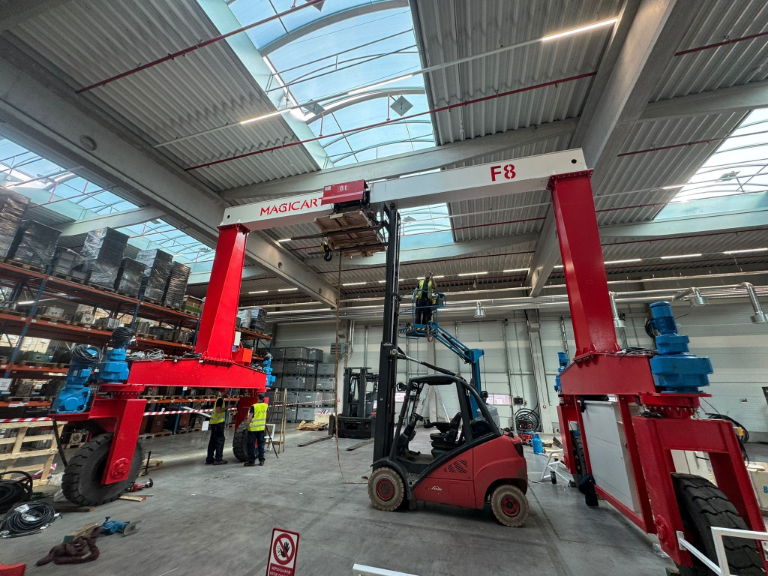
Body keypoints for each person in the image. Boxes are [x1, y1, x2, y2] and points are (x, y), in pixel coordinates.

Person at [245, 394, 268, 467]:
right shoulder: (265, 406)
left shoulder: (254, 406)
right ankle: (261, 460)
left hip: (253, 429)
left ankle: (251, 461)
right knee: (261, 444)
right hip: (261, 428)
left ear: (257, 398)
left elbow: (249, 418)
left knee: (251, 445)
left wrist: (245, 427)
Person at [205, 397, 228, 465]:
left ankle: (209, 459)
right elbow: (218, 410)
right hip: (218, 423)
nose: (228, 392)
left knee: (212, 441)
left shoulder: (218, 399)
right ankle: (218, 459)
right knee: (220, 441)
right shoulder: (220, 400)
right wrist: (227, 407)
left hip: (214, 423)